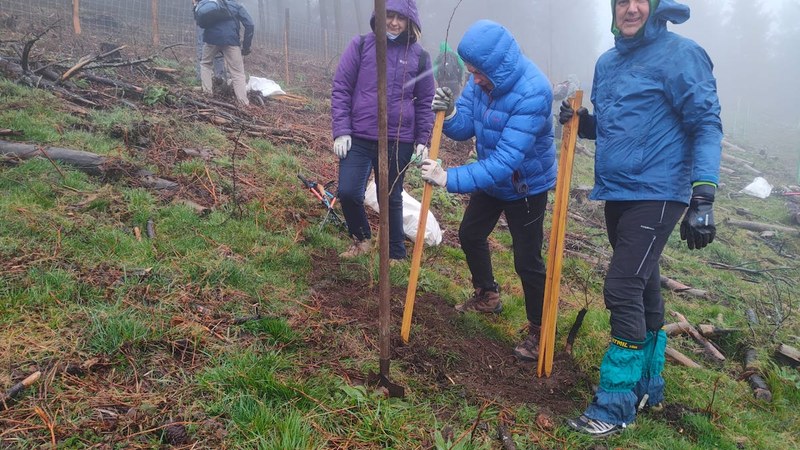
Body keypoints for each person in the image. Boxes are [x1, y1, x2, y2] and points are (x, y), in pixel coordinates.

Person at [558, 0, 722, 437]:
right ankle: (649, 384)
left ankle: (613, 405)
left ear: (656, 7)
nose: (630, 9)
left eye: (640, 1)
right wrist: (582, 121)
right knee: (644, 281)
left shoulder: (681, 54)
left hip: (660, 191)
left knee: (623, 285)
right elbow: (615, 126)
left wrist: (703, 194)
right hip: (618, 190)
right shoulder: (607, 62)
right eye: (621, 1)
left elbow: (706, 123)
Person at [420, 20, 556, 362]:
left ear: (498, 66)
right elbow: (465, 126)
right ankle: (488, 296)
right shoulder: (483, 82)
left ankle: (540, 329)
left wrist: (449, 179)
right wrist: (450, 112)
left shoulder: (534, 90)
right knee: (470, 234)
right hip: (492, 178)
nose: (474, 79)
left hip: (525, 184)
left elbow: (507, 161)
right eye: (471, 72)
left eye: (479, 73)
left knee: (527, 260)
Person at [330, 0, 435, 261]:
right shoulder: (362, 45)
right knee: (348, 191)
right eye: (389, 15)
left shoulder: (419, 56)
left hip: (398, 139)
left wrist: (423, 139)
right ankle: (362, 238)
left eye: (401, 17)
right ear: (379, 15)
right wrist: (341, 129)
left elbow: (425, 101)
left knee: (390, 195)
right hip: (359, 135)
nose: (394, 23)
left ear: (411, 21)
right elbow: (342, 87)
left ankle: (395, 253)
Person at [195, 0, 254, 106]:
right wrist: (246, 47)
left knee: (205, 64)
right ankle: (243, 103)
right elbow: (250, 24)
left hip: (211, 39)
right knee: (238, 73)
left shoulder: (213, 4)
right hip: (231, 40)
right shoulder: (237, 6)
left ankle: (207, 95)